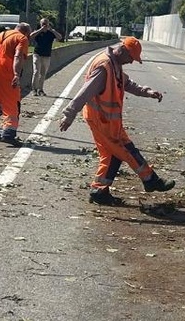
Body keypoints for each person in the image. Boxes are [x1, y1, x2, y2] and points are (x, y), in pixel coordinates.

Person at [58, 36, 175, 204]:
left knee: (112, 155)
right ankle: (150, 180)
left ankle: (99, 190)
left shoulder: (115, 65)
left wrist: (147, 91)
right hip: (101, 121)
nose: (131, 62)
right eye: (131, 58)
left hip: (109, 122)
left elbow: (126, 84)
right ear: (123, 51)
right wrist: (69, 114)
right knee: (126, 150)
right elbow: (85, 92)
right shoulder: (104, 66)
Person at [0, 22, 30, 146]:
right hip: (5, 70)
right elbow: (18, 56)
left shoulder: (0, 35)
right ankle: (8, 133)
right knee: (11, 102)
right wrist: (16, 74)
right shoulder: (22, 38)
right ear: (26, 32)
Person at [29, 17, 64, 96]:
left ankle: (40, 89)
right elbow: (30, 36)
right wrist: (40, 30)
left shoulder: (51, 33)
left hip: (47, 55)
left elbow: (60, 37)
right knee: (36, 72)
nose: (44, 25)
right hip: (37, 54)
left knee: (43, 73)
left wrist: (52, 30)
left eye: (46, 24)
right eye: (43, 24)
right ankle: (34, 89)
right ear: (40, 24)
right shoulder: (37, 31)